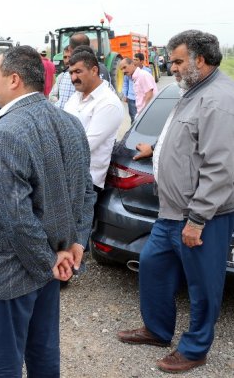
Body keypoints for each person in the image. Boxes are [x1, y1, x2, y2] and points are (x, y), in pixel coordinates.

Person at [0, 46, 97, 377]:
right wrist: (74, 244)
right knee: (43, 350)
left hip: (8, 273)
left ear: (15, 80)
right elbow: (86, 192)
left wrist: (52, 261)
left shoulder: (7, 133)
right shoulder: (70, 122)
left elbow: (17, 219)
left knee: (2, 362)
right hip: (50, 261)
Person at [117, 30, 234, 374]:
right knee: (152, 266)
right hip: (170, 212)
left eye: (179, 60)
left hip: (201, 216)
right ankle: (157, 329)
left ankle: (196, 349)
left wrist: (197, 220)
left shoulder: (218, 99)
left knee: (203, 286)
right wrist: (155, 150)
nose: (173, 66)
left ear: (201, 59)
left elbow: (220, 166)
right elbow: (185, 136)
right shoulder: (192, 91)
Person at [64, 46, 124, 191]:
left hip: (86, 181)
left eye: (78, 72)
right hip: (67, 176)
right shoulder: (75, 97)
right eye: (71, 73)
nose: (73, 78)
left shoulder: (108, 103)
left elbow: (84, 145)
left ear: (94, 70)